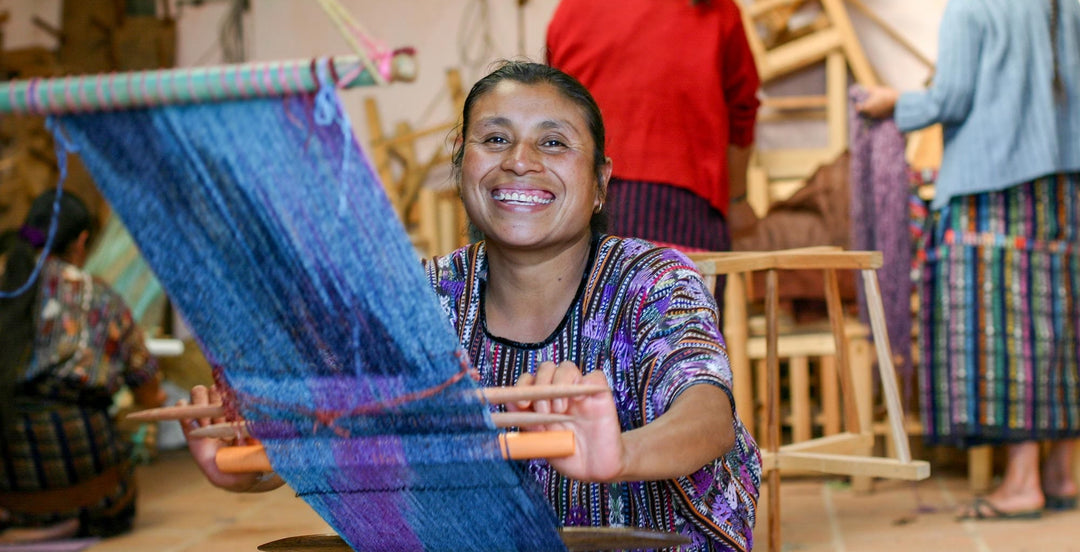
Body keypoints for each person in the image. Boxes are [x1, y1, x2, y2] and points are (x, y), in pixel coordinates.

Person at [182, 61, 762, 551]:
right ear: (461, 162)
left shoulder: (651, 280)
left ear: (601, 180)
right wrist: (248, 464)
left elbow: (707, 416)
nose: (520, 160)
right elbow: (331, 435)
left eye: (554, 142)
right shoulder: (421, 302)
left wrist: (618, 455)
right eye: (495, 139)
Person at [858, 0, 1080, 520]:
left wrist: (893, 102)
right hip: (1061, 194)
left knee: (1001, 332)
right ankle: (1063, 473)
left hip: (991, 194)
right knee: (1057, 327)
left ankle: (1021, 483)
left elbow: (950, 99)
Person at [545, 0, 761, 254]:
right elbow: (742, 113)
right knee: (685, 310)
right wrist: (738, 201)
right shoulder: (715, 4)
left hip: (589, 204)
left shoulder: (576, 2)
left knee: (597, 311)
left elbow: (549, 109)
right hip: (691, 209)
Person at [0, 190, 164, 541]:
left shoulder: (5, 286)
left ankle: (20, 521)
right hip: (90, 489)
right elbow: (151, 394)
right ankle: (65, 522)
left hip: (9, 489)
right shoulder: (99, 296)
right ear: (82, 242)